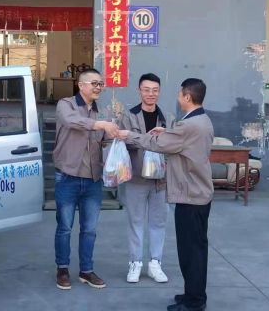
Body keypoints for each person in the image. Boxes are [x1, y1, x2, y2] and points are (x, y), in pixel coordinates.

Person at [119, 78, 214, 311]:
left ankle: (194, 302)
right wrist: (167, 132)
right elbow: (176, 139)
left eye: (180, 93)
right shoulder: (201, 120)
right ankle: (192, 294)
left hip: (190, 195)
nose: (178, 97)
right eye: (146, 89)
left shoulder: (187, 125)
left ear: (187, 97)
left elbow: (158, 144)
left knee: (191, 252)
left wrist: (128, 135)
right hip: (197, 193)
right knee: (196, 248)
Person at [53, 68, 119, 290]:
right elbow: (72, 121)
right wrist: (101, 124)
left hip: (93, 179)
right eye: (94, 83)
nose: (98, 87)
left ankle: (86, 270)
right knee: (64, 227)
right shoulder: (66, 105)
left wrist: (116, 134)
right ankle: (62, 268)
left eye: (101, 84)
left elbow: (104, 139)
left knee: (89, 229)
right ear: (81, 85)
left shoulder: (103, 111)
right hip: (68, 177)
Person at [119, 73, 174, 283]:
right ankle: (135, 263)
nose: (151, 94)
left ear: (159, 92)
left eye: (155, 90)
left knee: (159, 222)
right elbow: (124, 140)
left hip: (161, 180)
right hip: (136, 177)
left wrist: (161, 136)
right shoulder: (129, 116)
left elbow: (174, 143)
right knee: (135, 221)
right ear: (139, 91)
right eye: (146, 90)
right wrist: (152, 139)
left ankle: (155, 263)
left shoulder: (167, 118)